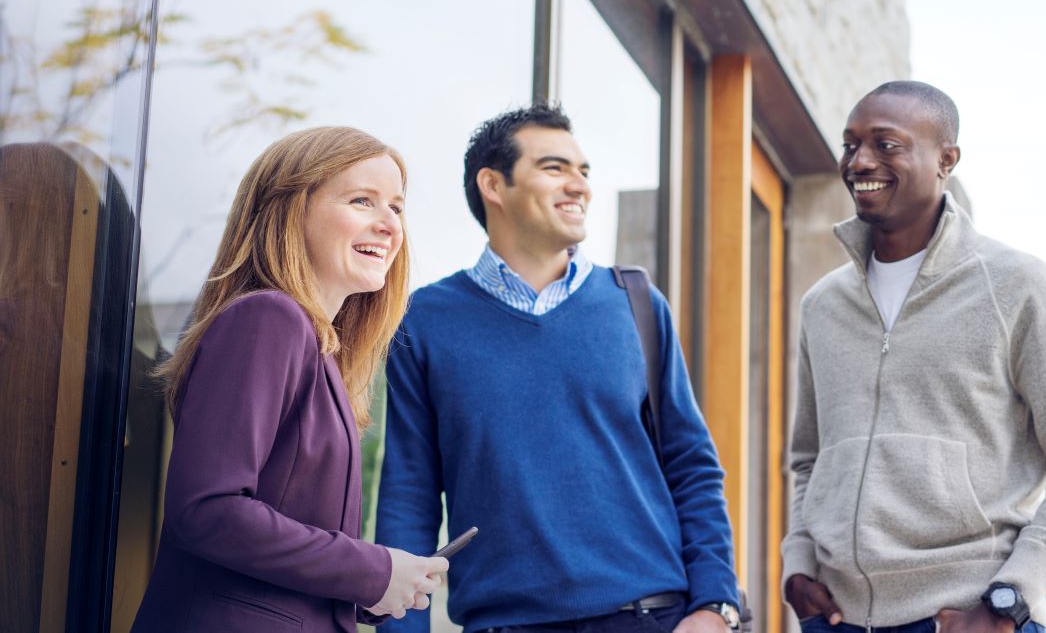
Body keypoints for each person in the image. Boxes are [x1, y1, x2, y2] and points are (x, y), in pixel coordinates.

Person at [377, 105, 742, 633]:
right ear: (493, 185)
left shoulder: (635, 303)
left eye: (584, 171)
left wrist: (715, 605)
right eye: (555, 168)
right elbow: (409, 494)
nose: (580, 186)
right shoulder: (425, 321)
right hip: (506, 624)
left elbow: (691, 466)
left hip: (651, 617)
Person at [780, 82, 1046, 633]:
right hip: (838, 619)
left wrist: (1012, 597)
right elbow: (808, 459)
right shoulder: (823, 304)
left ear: (946, 160)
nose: (860, 161)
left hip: (967, 615)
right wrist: (797, 567)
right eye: (850, 145)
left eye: (886, 144)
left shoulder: (1014, 284)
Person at [131, 126, 448, 632]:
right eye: (363, 200)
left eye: (397, 207)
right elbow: (208, 510)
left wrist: (378, 586)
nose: (389, 224)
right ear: (291, 210)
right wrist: (372, 568)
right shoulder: (268, 318)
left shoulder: (323, 353)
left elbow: (283, 545)